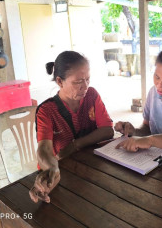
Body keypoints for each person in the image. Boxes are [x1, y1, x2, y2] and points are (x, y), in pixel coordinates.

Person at [29, 51, 114, 203]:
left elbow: (107, 130)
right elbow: (44, 149)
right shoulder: (46, 111)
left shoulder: (92, 96)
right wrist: (51, 168)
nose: (85, 86)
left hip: (91, 169)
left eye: (88, 79)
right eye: (78, 82)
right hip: (62, 172)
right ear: (60, 82)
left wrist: (75, 145)